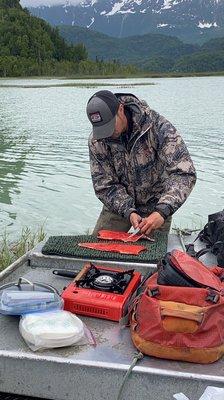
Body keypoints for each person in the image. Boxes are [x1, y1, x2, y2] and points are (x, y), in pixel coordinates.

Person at [86, 90, 196, 236]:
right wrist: (128, 211)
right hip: (118, 205)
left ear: (120, 108)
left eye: (110, 125)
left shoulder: (158, 127)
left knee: (152, 256)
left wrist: (163, 210)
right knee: (94, 255)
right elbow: (104, 185)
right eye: (102, 128)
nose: (108, 132)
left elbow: (184, 173)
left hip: (156, 207)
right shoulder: (97, 140)